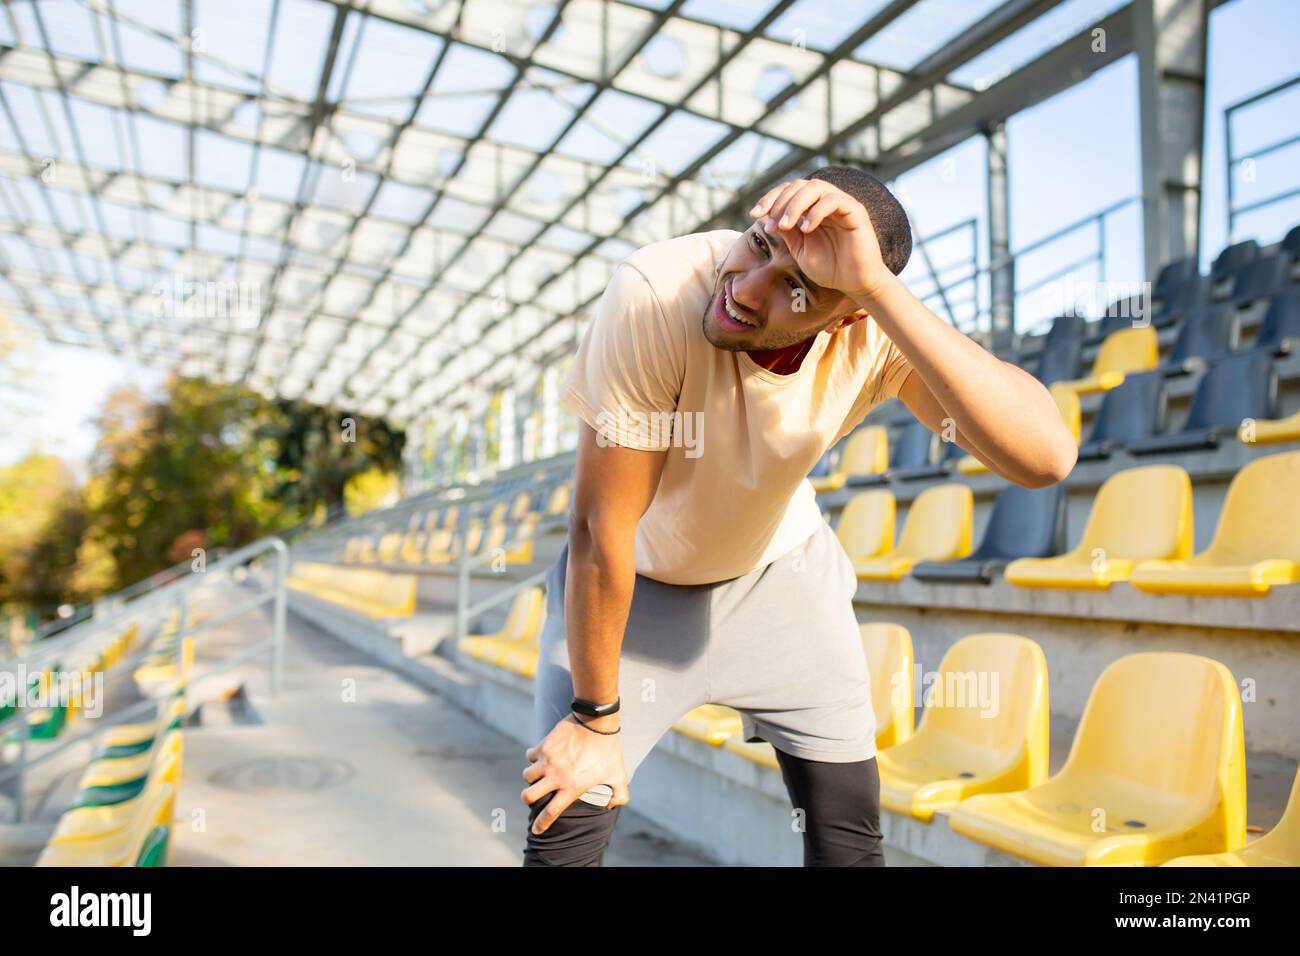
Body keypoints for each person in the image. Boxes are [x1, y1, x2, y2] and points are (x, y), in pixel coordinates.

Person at [519, 165, 1077, 866]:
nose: (745, 291)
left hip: (779, 583)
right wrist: (595, 720)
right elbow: (602, 532)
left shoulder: (871, 331)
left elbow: (1046, 459)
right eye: (758, 245)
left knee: (848, 842)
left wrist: (879, 291)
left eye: (797, 288)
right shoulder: (656, 291)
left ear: (847, 315)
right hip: (635, 591)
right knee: (563, 829)